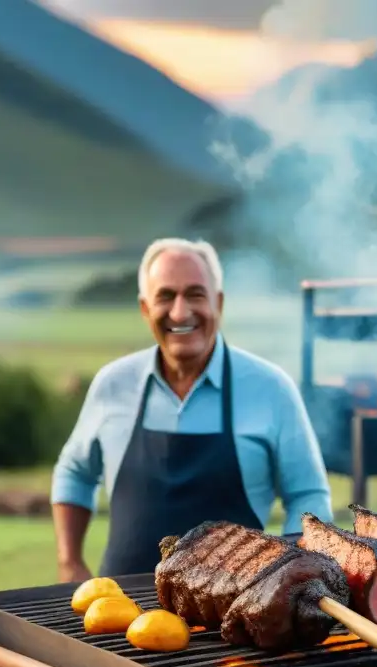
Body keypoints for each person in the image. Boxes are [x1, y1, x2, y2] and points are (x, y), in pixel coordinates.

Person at [51, 238, 332, 579]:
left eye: (196, 294)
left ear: (219, 303)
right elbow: (75, 472)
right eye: (165, 296)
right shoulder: (113, 383)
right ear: (144, 308)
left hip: (236, 615)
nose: (180, 312)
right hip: (123, 614)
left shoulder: (272, 389)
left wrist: (286, 576)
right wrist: (70, 561)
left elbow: (307, 496)